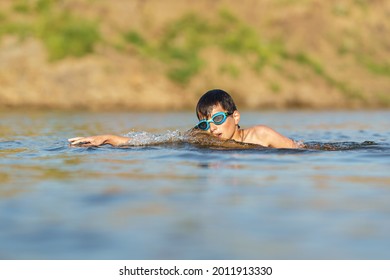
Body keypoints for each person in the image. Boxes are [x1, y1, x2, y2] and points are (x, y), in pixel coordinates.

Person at [68, 89, 301, 149]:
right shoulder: (204, 138)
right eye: (205, 123)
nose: (212, 128)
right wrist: (108, 138)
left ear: (235, 116)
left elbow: (297, 152)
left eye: (218, 119)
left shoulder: (260, 134)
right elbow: (151, 142)